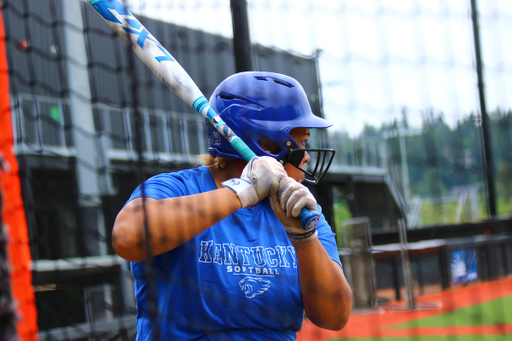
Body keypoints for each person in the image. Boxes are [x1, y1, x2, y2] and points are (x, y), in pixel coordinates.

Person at [112, 71, 353, 340]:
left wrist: (305, 239)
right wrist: (242, 192)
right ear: (267, 145)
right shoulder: (176, 189)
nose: (307, 156)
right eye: (302, 142)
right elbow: (127, 237)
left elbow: (335, 316)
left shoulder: (303, 212)